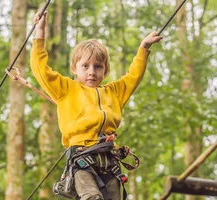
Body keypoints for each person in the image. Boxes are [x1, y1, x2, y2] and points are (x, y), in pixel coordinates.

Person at [31, 11, 163, 200]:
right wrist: (40, 31)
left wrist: (143, 48)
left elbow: (134, 76)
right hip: (81, 158)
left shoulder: (114, 92)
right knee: (92, 197)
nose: (91, 72)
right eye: (85, 66)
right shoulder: (67, 89)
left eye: (98, 66)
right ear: (74, 69)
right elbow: (40, 69)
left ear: (106, 70)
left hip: (109, 160)